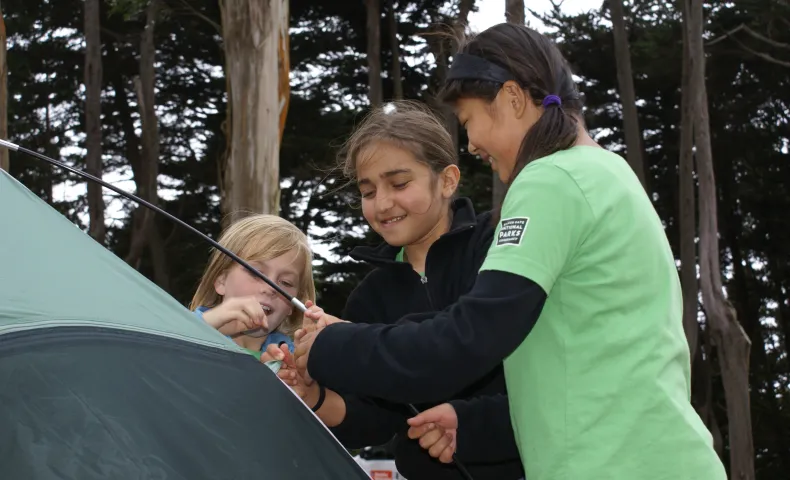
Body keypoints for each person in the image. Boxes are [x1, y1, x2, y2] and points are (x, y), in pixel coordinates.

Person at [291, 24, 727, 480]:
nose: (473, 143)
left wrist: (334, 344)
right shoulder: (608, 172)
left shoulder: (550, 179)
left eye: (469, 122)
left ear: (513, 99)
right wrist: (469, 420)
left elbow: (471, 334)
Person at [276, 100, 524, 480]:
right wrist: (314, 396)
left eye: (399, 183)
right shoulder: (371, 295)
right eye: (368, 191)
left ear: (447, 180)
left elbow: (476, 343)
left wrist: (353, 343)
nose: (382, 204)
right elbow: (374, 419)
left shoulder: (497, 249)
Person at [190, 214, 316, 360]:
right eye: (256, 273)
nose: (271, 288)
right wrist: (205, 326)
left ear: (292, 306)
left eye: (286, 283)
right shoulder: (181, 326)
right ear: (221, 281)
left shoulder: (294, 361)